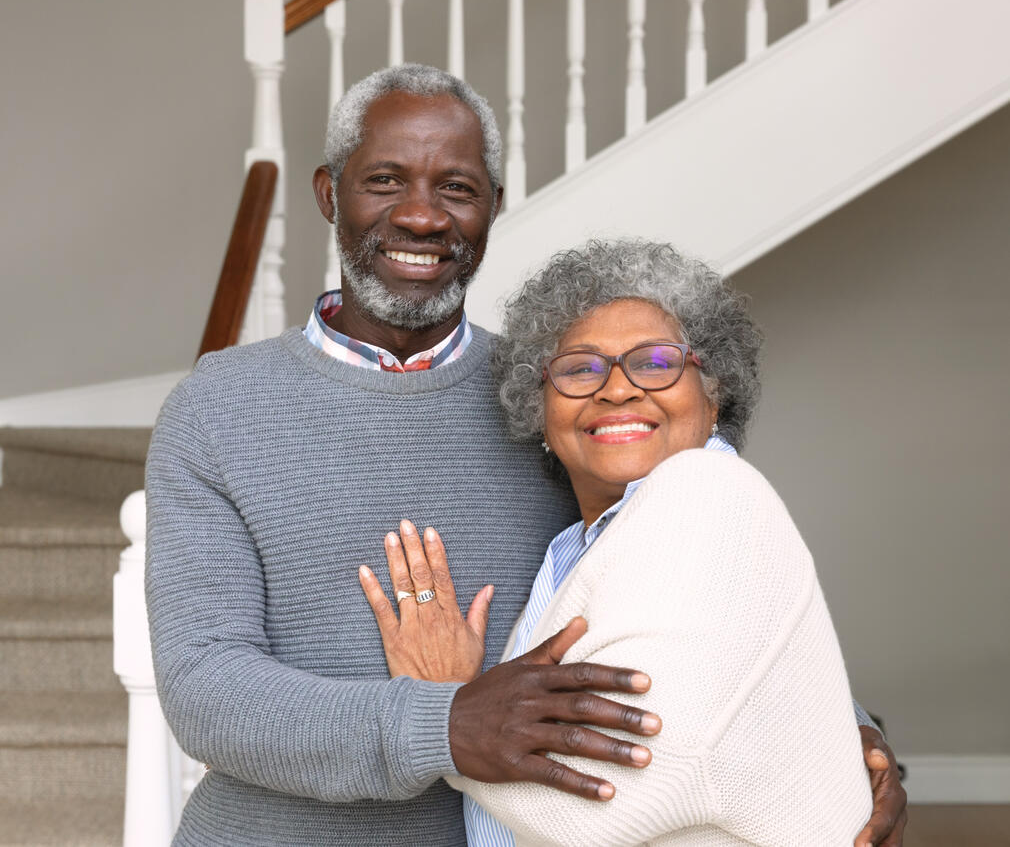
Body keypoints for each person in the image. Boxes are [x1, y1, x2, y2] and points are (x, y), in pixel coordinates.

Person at [145, 64, 906, 845]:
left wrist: (847, 741)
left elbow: (716, 592)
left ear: (492, 208)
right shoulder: (217, 409)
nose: (421, 216)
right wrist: (444, 724)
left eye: (457, 188)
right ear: (328, 194)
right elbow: (206, 689)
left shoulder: (560, 401)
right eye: (384, 181)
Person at [361, 239, 886, 845]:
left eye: (656, 362)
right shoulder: (578, 547)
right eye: (580, 367)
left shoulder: (707, 494)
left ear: (713, 391)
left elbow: (601, 804)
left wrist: (443, 703)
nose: (617, 389)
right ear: (542, 408)